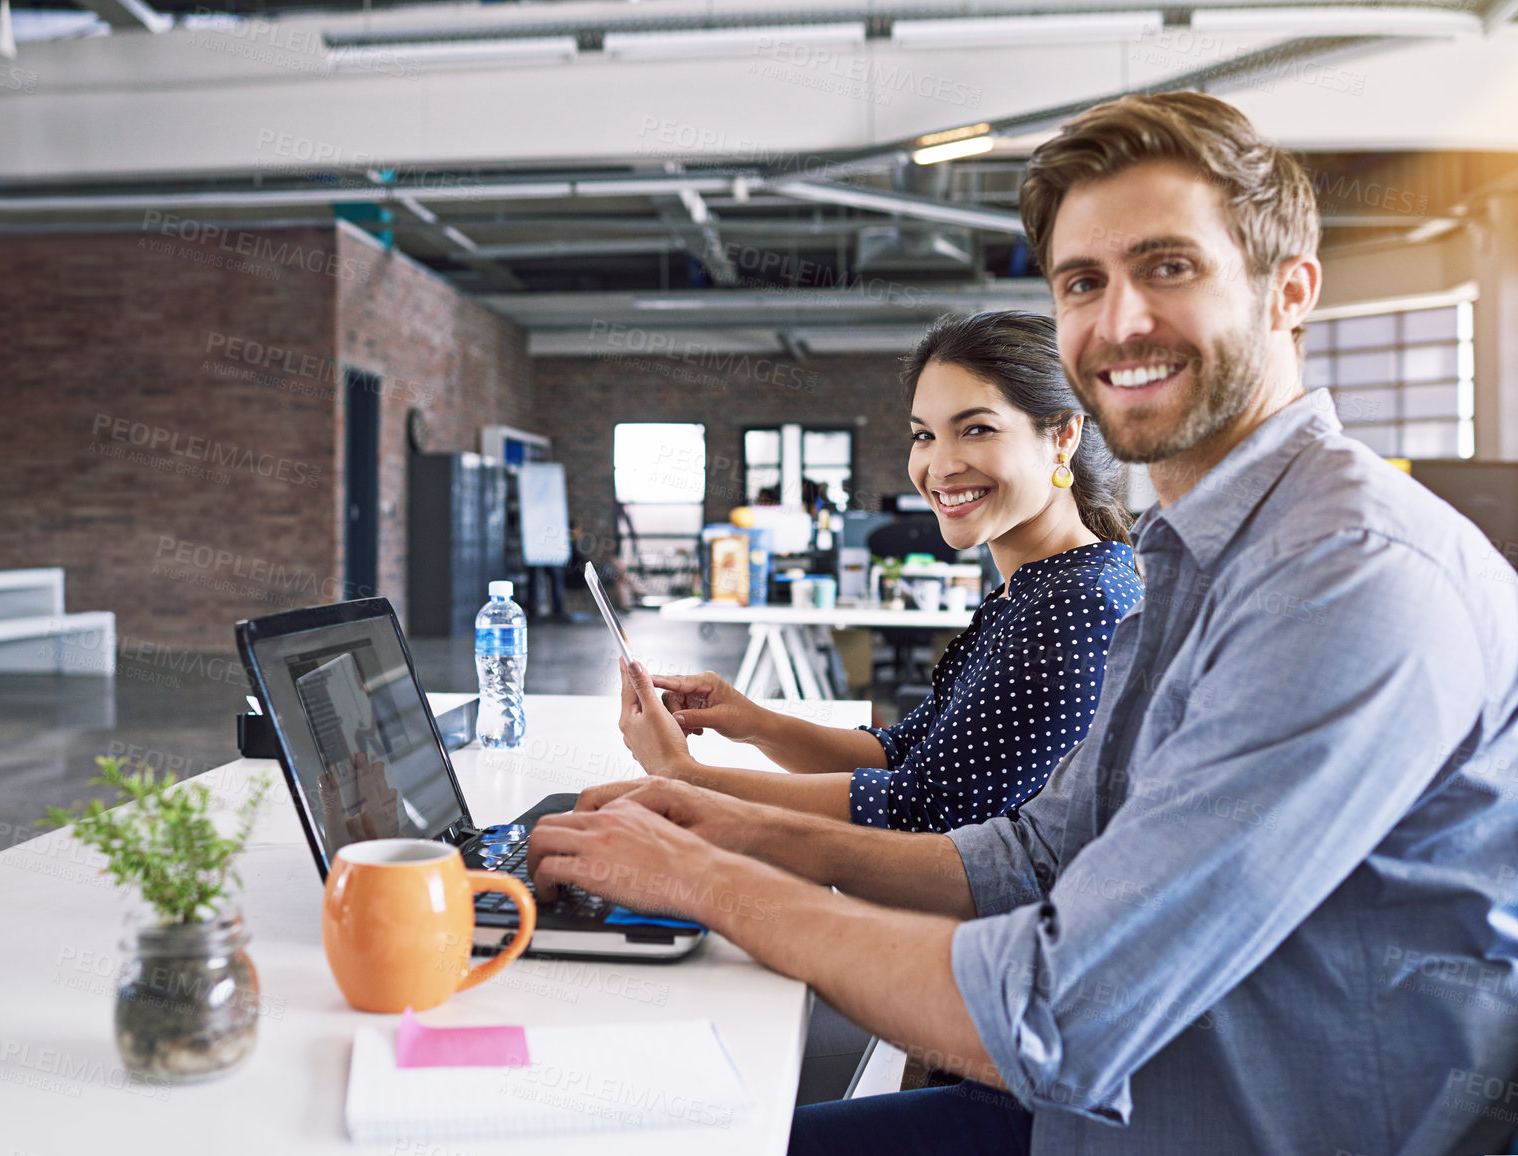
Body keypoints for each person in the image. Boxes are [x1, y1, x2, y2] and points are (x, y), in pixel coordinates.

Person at [526, 91, 1518, 1156]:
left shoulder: (1347, 580)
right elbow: (1032, 856)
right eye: (1083, 282)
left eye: (1169, 266)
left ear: (1290, 294)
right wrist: (717, 819)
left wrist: (699, 875)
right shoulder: (1189, 556)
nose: (1120, 319)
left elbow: (1056, 1011)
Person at [599, 312, 1143, 834]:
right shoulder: (1035, 587)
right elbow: (902, 754)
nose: (941, 465)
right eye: (924, 435)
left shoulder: (1079, 603)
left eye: (977, 429)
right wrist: (751, 721)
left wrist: (684, 779)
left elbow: (927, 812)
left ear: (1063, 437)